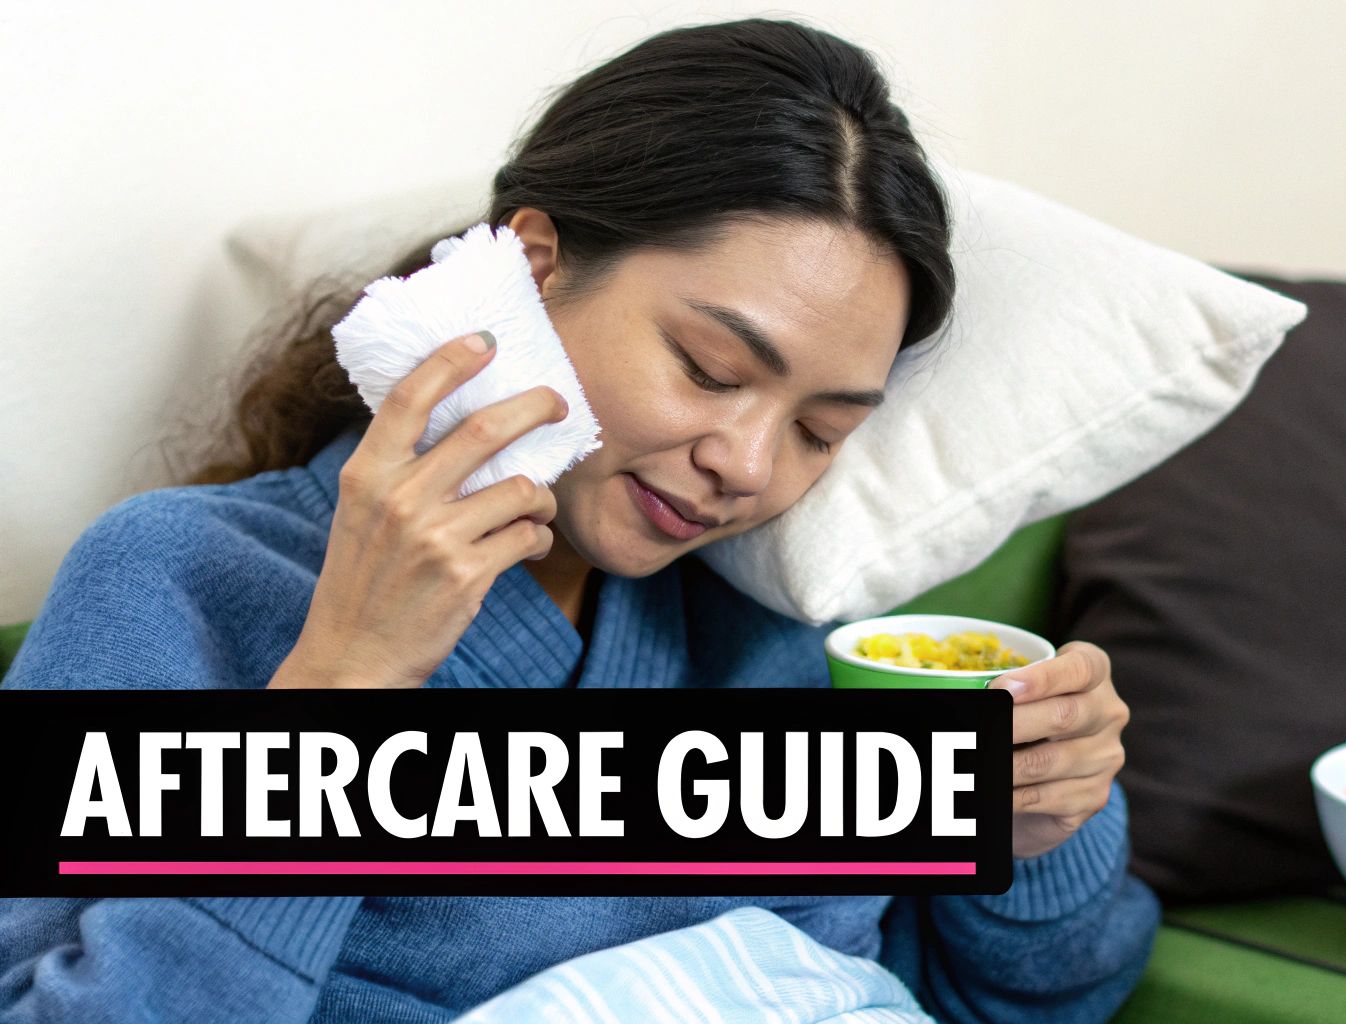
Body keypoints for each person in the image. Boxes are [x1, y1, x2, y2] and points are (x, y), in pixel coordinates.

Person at [0, 17, 1160, 1023]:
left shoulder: (756, 640)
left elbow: (1011, 1000)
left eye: (821, 431)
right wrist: (339, 698)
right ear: (534, 266)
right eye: (709, 369)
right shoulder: (182, 581)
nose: (746, 467)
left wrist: (1034, 830)